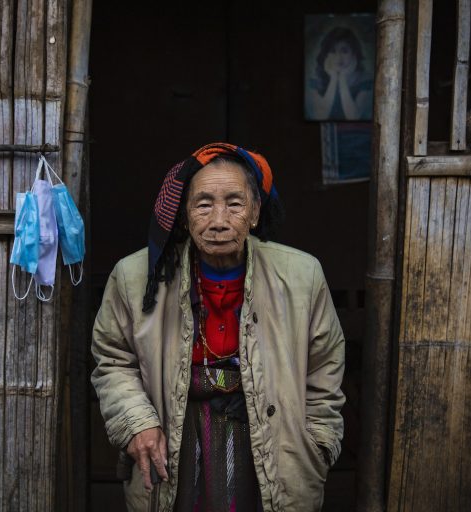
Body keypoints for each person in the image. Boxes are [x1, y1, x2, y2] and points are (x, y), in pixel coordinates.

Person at [91, 143, 345, 511]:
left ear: (255, 212)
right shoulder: (134, 277)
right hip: (175, 438)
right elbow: (113, 358)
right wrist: (136, 423)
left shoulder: (302, 275)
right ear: (184, 213)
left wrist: (318, 444)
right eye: (204, 203)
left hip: (275, 443)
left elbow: (325, 368)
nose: (219, 220)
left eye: (235, 203)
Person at [308, 27, 373, 121]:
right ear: (326, 55)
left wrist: (342, 78)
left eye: (344, 51)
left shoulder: (365, 79)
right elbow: (320, 116)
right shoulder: (316, 78)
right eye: (332, 51)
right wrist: (334, 78)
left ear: (354, 54)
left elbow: (353, 117)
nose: (338, 58)